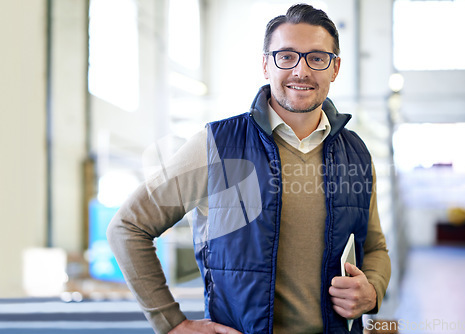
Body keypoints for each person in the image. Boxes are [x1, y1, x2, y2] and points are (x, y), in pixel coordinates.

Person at [107, 4, 391, 334]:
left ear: (335, 67)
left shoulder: (355, 153)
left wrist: (372, 290)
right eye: (286, 56)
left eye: (317, 57)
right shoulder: (216, 146)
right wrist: (171, 323)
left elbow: (375, 249)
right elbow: (127, 227)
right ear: (266, 64)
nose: (301, 71)